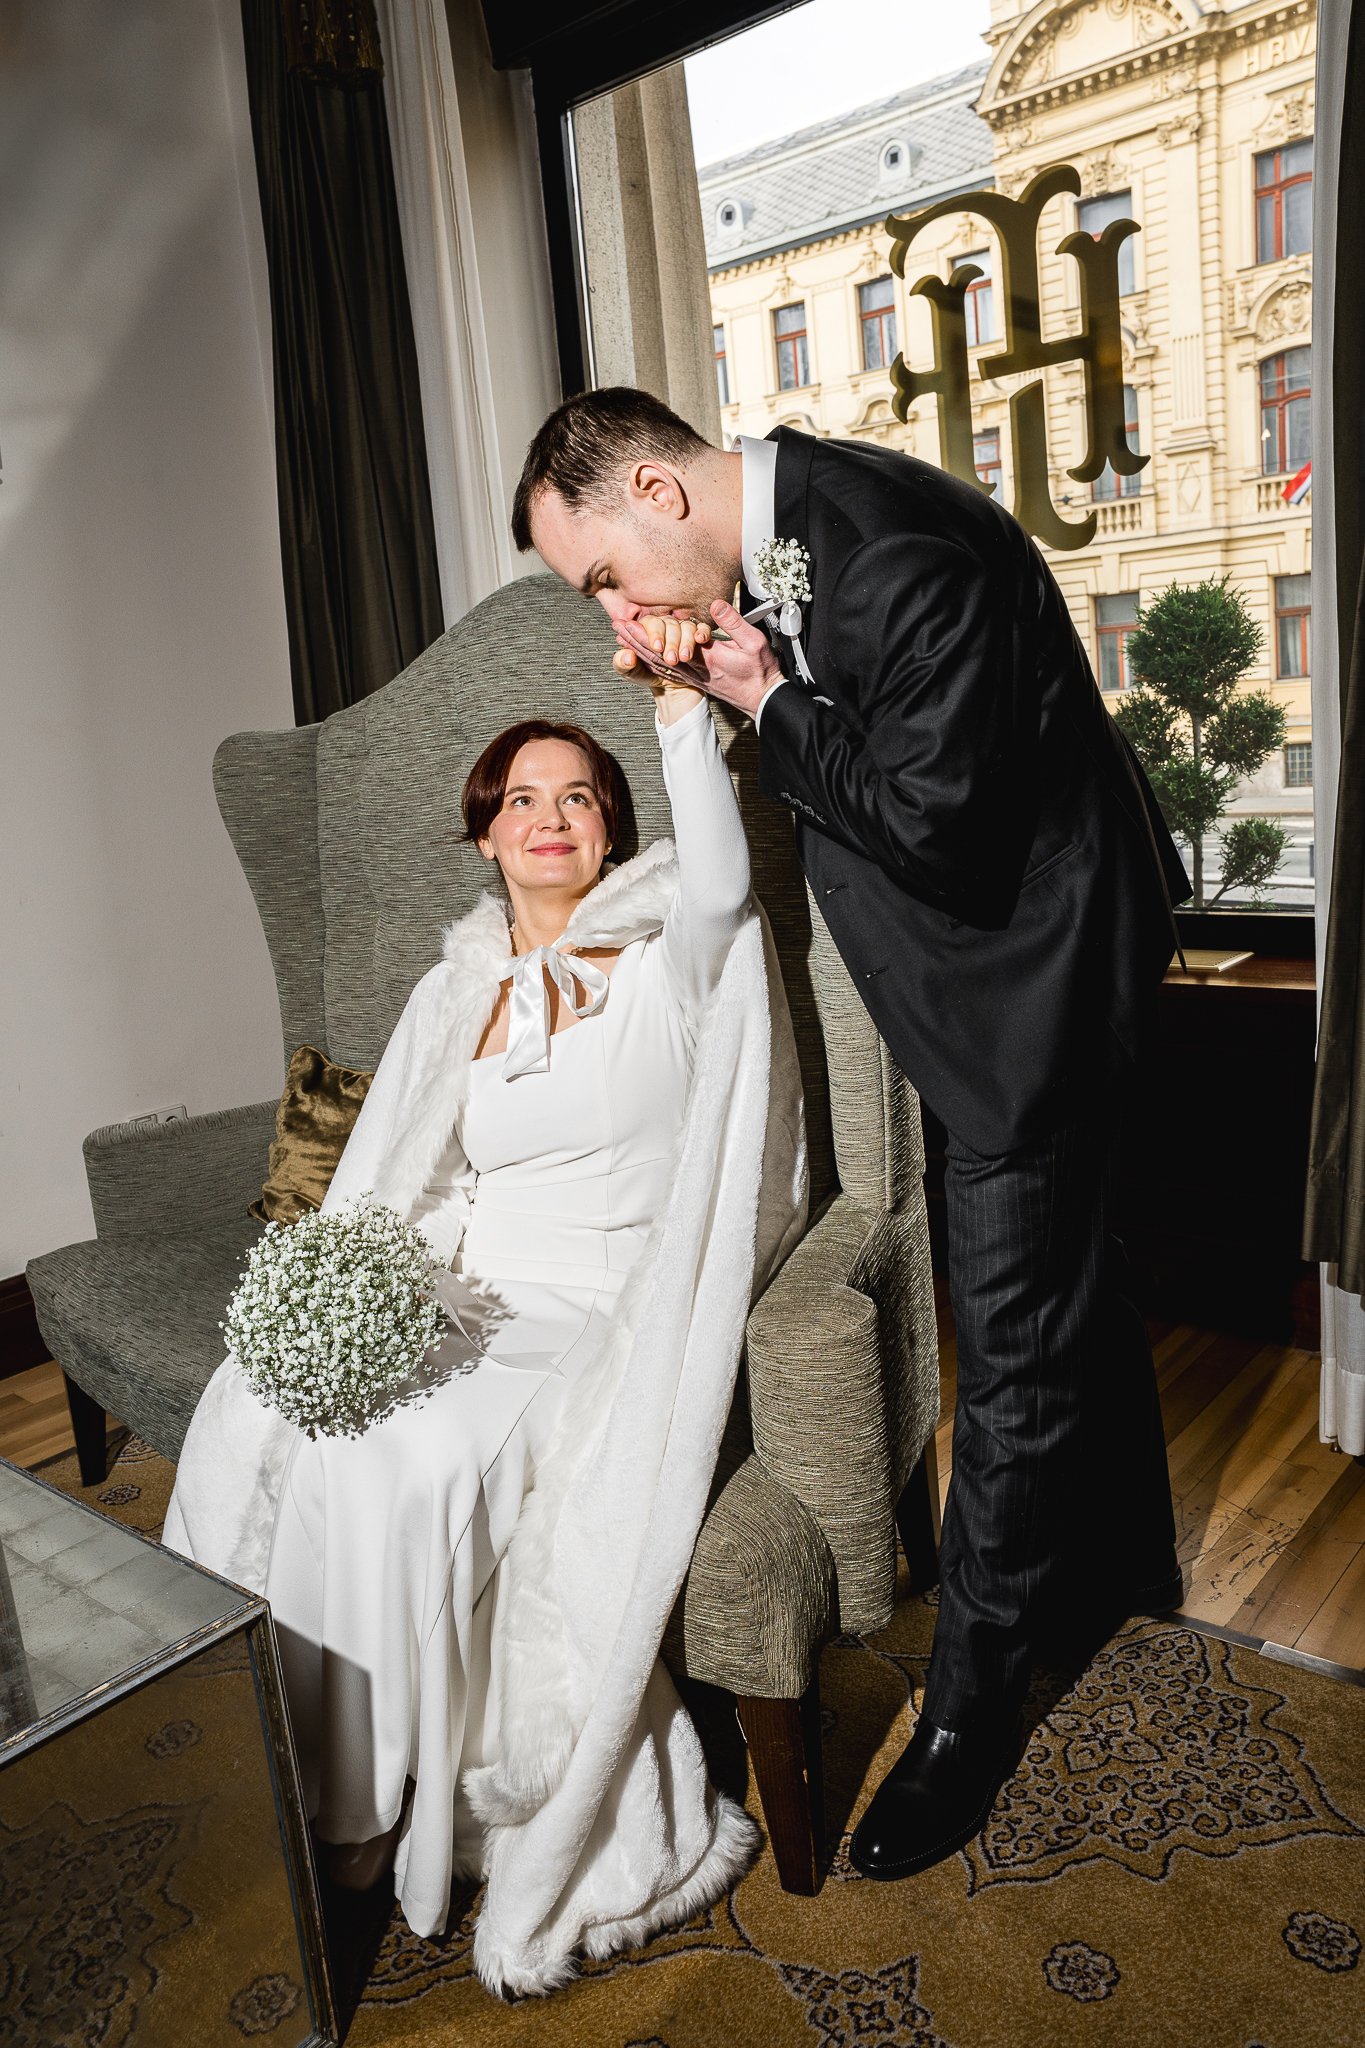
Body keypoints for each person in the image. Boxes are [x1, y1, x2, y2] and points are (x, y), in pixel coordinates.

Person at [513, 384, 1190, 1884]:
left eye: (605, 574)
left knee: (1004, 1355)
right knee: (1083, 1278)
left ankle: (966, 1723)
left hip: (1033, 988)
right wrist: (736, 677)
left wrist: (770, 703)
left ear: (656, 491)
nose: (616, 611)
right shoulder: (787, 543)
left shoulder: (888, 553)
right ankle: (1130, 1568)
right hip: (1007, 970)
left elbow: (939, 822)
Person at [162, 669, 807, 1995]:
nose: (552, 817)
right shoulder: (457, 994)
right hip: (466, 1292)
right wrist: (362, 1297)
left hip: (588, 1308)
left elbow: (723, 883)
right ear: (484, 833)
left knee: (404, 1468)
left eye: (580, 796)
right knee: (287, 1421)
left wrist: (680, 709)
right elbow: (425, 1175)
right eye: (524, 798)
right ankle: (320, 1790)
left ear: (614, 831)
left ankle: (383, 1828)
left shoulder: (665, 957)